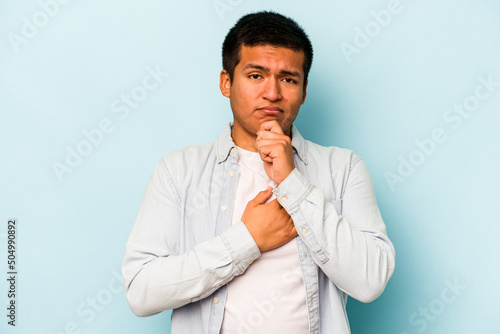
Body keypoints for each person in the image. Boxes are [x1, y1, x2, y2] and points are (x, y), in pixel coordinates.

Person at [122, 11, 395, 334]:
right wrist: (248, 238)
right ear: (227, 82)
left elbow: (370, 281)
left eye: (288, 79)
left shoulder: (344, 168)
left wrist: (293, 184)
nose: (272, 93)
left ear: (304, 90)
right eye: (255, 76)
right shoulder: (179, 171)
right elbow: (141, 291)